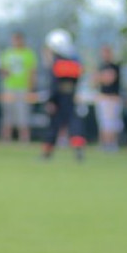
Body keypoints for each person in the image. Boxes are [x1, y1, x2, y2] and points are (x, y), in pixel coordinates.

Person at [40, 28, 85, 162]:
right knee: (74, 125)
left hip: (58, 100)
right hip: (70, 98)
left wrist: (51, 101)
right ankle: (78, 152)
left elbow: (54, 85)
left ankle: (47, 154)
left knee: (53, 127)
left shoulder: (57, 64)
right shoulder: (74, 63)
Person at [0, 31, 38, 144]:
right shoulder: (7, 53)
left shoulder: (28, 54)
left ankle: (24, 139)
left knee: (23, 115)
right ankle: (6, 139)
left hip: (23, 88)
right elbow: (2, 71)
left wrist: (31, 88)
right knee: (7, 115)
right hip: (9, 88)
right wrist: (4, 73)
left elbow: (32, 72)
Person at [95, 44, 123, 152]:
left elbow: (108, 79)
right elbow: (94, 81)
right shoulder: (101, 66)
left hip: (112, 98)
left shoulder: (114, 67)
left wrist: (100, 77)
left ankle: (112, 144)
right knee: (103, 123)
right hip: (103, 97)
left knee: (112, 123)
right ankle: (104, 144)